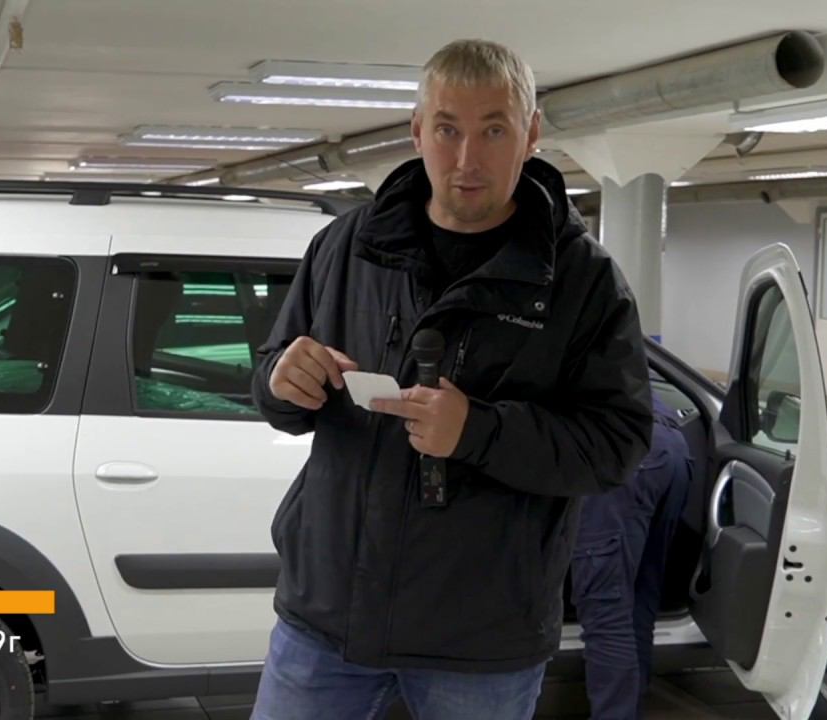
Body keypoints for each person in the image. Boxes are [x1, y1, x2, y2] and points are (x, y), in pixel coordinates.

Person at [250, 38, 654, 720]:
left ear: (531, 134)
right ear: (417, 132)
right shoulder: (346, 246)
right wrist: (280, 382)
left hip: (481, 640)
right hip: (327, 618)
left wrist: (478, 431)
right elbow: (275, 375)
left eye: (494, 130)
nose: (467, 158)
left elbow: (617, 442)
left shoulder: (583, 280)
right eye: (447, 129)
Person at [571, 394, 693, 720]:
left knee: (606, 612)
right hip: (670, 446)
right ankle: (629, 710)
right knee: (639, 600)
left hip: (620, 451)